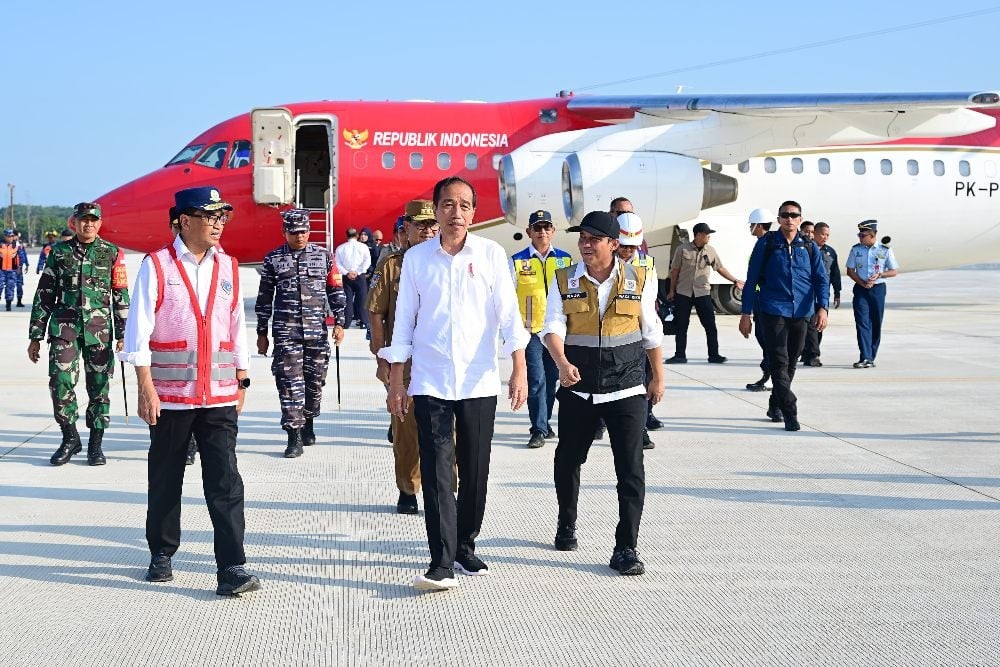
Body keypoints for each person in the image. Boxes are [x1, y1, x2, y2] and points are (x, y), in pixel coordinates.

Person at [381, 176, 529, 592]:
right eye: (448, 205)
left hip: (480, 381)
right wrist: (397, 381)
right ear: (436, 209)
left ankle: (465, 544)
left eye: (464, 205)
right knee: (437, 472)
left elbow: (509, 317)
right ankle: (441, 560)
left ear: (474, 213)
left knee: (476, 472)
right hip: (430, 381)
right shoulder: (417, 260)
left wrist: (517, 367)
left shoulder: (490, 254)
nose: (456, 213)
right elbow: (403, 325)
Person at [118, 186, 261, 596]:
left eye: (223, 216)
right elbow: (138, 330)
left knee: (226, 482)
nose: (219, 223)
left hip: (218, 397)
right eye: (210, 215)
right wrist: (145, 387)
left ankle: (231, 566)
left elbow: (237, 328)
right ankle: (161, 553)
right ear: (184, 220)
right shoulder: (158, 266)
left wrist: (243, 378)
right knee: (165, 478)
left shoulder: (230, 267)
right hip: (170, 396)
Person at [541, 211, 664, 576]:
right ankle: (567, 523)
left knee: (630, 470)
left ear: (614, 244)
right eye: (583, 237)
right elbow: (553, 325)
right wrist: (562, 363)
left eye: (594, 238)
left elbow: (651, 331)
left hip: (626, 388)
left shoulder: (639, 279)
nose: (586, 243)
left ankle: (626, 547)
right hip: (578, 390)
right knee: (567, 461)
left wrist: (658, 377)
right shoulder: (564, 279)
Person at [27, 203, 130, 465]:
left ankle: (96, 444)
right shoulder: (59, 253)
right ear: (74, 222)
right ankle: (70, 438)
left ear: (100, 223)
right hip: (65, 329)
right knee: (60, 383)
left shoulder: (111, 253)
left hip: (100, 332)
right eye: (83, 220)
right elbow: (45, 294)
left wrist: (123, 333)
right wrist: (35, 336)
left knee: (99, 387)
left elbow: (120, 294)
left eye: (93, 220)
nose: (88, 225)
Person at [368, 199, 450, 514]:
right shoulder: (391, 265)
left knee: (447, 429)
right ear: (407, 228)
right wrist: (381, 359)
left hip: (443, 359)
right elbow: (376, 313)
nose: (428, 230)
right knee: (406, 429)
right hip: (405, 362)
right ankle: (407, 488)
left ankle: (445, 488)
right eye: (421, 225)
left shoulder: (449, 261)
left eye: (433, 224)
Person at [255, 208, 346, 458]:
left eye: (304, 232)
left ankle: (309, 422)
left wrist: (340, 322)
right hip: (287, 333)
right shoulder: (273, 259)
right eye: (294, 232)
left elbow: (335, 290)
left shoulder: (324, 256)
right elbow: (264, 297)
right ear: (284, 232)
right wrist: (261, 331)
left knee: (314, 382)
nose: (299, 237)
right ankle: (293, 435)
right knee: (289, 384)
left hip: (317, 333)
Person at [739, 200, 829, 432]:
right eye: (785, 215)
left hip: (802, 312)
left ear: (800, 219)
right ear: (778, 219)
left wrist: (823, 308)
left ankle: (775, 404)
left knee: (791, 362)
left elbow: (820, 279)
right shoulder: (766, 244)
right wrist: (745, 313)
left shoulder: (809, 246)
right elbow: (752, 279)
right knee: (779, 362)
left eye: (794, 215)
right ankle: (790, 411)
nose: (789, 219)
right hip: (773, 310)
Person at [510, 209, 571, 449]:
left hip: (557, 332)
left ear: (553, 231)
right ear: (529, 232)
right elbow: (509, 299)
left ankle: (544, 422)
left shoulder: (565, 260)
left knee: (553, 379)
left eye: (546, 227)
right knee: (536, 380)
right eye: (537, 228)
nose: (542, 232)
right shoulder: (517, 261)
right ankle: (537, 429)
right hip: (531, 331)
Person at [666, 222, 744, 364]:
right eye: (707, 234)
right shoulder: (682, 249)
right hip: (684, 293)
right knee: (681, 326)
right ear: (698, 235)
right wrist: (672, 290)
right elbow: (675, 271)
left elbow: (720, 268)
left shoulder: (711, 251)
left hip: (703, 293)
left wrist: (735, 280)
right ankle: (680, 355)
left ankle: (714, 355)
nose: (709, 237)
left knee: (710, 325)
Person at [615, 212, 660, 450]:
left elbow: (649, 301)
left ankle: (640, 429)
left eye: (632, 246)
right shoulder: (606, 263)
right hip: (614, 334)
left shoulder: (648, 264)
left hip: (640, 333)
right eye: (623, 246)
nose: (627, 251)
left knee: (642, 382)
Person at [845, 220, 898, 368]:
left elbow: (894, 271)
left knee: (876, 322)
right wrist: (862, 283)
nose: (860, 238)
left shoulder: (884, 250)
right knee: (862, 322)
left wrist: (880, 275)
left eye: (863, 235)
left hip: (878, 289)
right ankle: (865, 356)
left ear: (872, 235)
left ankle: (871, 356)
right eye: (859, 235)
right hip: (861, 289)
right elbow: (850, 270)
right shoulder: (856, 250)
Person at [800, 221, 841, 367]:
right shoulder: (805, 249)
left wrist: (837, 292)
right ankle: (810, 353)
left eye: (827, 235)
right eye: (822, 234)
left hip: (823, 293)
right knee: (808, 324)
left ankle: (812, 352)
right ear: (814, 233)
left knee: (819, 324)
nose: (825, 237)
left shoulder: (830, 252)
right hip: (807, 293)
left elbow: (835, 273)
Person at [745, 208, 775, 391]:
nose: (750, 227)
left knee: (768, 340)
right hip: (760, 299)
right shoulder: (765, 242)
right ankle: (768, 375)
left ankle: (771, 377)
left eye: (752, 224)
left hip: (764, 300)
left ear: (759, 224)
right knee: (763, 338)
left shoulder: (765, 243)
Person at [334, 227, 371, 329]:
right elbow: (367, 262)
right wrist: (358, 272)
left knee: (347, 300)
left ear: (346, 235)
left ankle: (346, 322)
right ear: (357, 235)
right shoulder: (363, 247)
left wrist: (347, 273)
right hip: (360, 276)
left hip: (347, 277)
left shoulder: (340, 248)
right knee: (362, 299)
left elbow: (337, 264)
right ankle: (364, 322)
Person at [0, 229, 22, 310]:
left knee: (10, 287)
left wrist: (20, 267)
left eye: (12, 236)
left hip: (12, 270)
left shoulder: (16, 246)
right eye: (9, 236)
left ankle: (8, 304)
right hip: (1, 270)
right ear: (5, 236)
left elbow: (21, 256)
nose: (10, 238)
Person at [11, 230, 28, 307]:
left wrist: (27, 264)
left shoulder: (20, 245)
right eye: (12, 235)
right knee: (9, 285)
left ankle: (19, 301)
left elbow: (24, 255)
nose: (14, 237)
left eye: (15, 235)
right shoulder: (8, 245)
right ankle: (8, 302)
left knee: (19, 284)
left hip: (19, 268)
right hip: (10, 268)